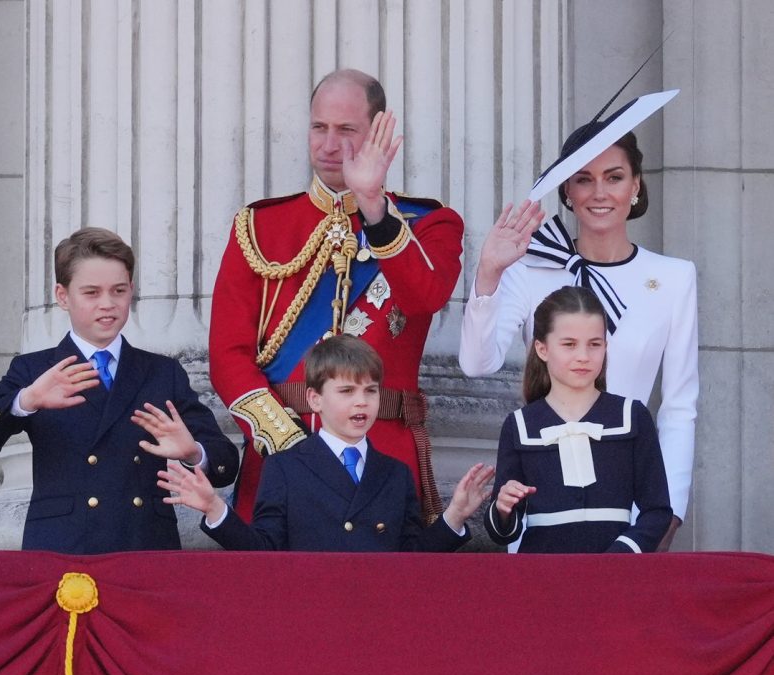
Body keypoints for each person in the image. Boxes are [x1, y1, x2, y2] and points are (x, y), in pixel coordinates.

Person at [210, 68, 468, 523]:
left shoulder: (429, 225)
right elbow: (228, 354)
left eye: (346, 130)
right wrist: (287, 444)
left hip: (382, 455)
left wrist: (374, 208)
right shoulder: (259, 226)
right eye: (319, 128)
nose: (329, 145)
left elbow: (426, 297)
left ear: (378, 134)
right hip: (280, 456)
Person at [460, 124, 698, 550]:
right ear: (567, 190)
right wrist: (489, 273)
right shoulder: (529, 266)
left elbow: (679, 406)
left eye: (614, 176)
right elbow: (477, 363)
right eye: (584, 179)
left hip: (632, 505)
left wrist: (670, 513)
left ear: (636, 185)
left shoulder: (675, 277)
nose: (599, 192)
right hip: (543, 497)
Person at [0, 228, 239, 554]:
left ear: (131, 290)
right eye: (91, 293)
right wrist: (25, 400)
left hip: (144, 546)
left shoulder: (162, 372)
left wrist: (193, 453)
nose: (108, 304)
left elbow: (225, 465)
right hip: (62, 548)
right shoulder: (35, 370)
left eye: (118, 290)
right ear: (63, 296)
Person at [159, 335, 494, 552]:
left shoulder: (395, 473)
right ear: (314, 399)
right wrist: (216, 509)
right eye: (346, 392)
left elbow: (411, 560)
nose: (361, 403)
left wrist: (455, 515)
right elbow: (263, 551)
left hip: (378, 620)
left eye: (370, 391)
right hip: (310, 621)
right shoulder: (285, 468)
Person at [483, 286, 672, 553]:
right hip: (542, 578)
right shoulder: (520, 425)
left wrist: (621, 554)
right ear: (542, 349)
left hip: (615, 578)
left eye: (594, 344)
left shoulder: (632, 416)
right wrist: (503, 508)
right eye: (569, 344)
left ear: (605, 346)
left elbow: (658, 510)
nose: (583, 356)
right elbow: (502, 532)